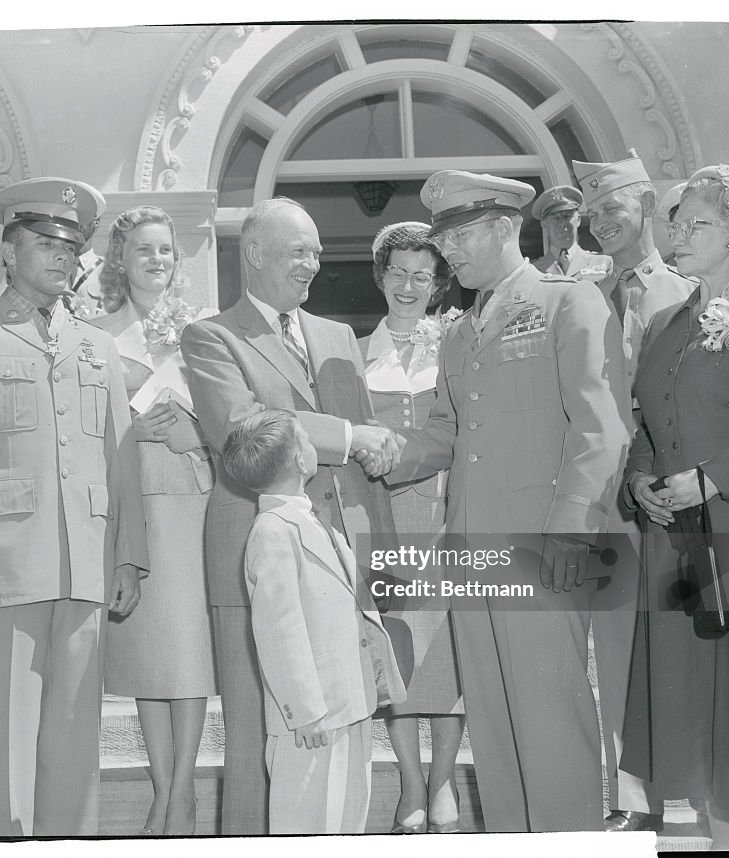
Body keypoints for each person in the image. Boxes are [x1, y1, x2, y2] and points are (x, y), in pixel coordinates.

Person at [385, 171, 631, 832]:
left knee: (550, 724)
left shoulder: (568, 302)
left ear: (503, 228)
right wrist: (376, 448)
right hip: (474, 553)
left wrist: (570, 533)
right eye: (444, 240)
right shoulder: (461, 332)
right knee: (493, 728)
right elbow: (445, 433)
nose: (450, 253)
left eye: (460, 236)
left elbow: (601, 428)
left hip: (543, 549)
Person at [0, 177, 149, 836]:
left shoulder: (99, 347)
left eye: (71, 248)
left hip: (87, 566)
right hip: (3, 569)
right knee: (9, 741)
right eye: (45, 244)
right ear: (8, 254)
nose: (61, 258)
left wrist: (131, 556)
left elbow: (119, 458)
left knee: (75, 747)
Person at [180, 197, 399, 835]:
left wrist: (379, 544)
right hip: (259, 547)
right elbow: (241, 428)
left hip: (339, 557)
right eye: (299, 251)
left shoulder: (337, 338)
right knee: (258, 736)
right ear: (253, 253)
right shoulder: (212, 336)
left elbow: (368, 446)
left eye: (317, 253)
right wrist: (350, 436)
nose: (313, 264)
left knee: (344, 722)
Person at [619, 164, 729, 851]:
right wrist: (640, 478)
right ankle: (701, 834)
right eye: (675, 221)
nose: (679, 233)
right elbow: (647, 421)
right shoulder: (670, 319)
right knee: (686, 701)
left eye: (696, 222)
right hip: (674, 541)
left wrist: (718, 476)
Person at [570, 153, 695, 833]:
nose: (599, 222)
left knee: (674, 643)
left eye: (612, 208)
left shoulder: (679, 293)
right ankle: (633, 798)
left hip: (665, 497)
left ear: (647, 206)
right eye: (591, 213)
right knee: (616, 649)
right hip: (602, 495)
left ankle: (682, 790)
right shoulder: (584, 295)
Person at [91, 206, 218, 836]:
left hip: (192, 495)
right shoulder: (96, 332)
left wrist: (197, 434)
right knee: (147, 646)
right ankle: (163, 789)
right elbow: (89, 426)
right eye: (143, 249)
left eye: (166, 249)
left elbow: (230, 419)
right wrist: (129, 429)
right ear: (121, 259)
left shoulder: (205, 330)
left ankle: (186, 789)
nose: (157, 260)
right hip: (133, 493)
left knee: (188, 644)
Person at [223, 408, 406, 834]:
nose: (313, 445)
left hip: (348, 702)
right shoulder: (272, 529)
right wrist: (303, 711)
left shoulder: (306, 517)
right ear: (302, 463)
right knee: (305, 823)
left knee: (346, 818)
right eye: (307, 438)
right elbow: (278, 630)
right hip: (311, 718)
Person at [356, 221, 465, 834]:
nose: (408, 285)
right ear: (380, 276)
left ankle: (444, 781)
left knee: (446, 659)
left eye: (422, 275)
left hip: (447, 517)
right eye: (397, 272)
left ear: (437, 281)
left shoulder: (455, 343)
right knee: (397, 655)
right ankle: (409, 783)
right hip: (383, 519)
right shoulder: (349, 349)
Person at [529, 184, 611, 282]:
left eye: (567, 216)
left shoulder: (604, 263)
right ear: (544, 224)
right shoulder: (532, 271)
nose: (562, 223)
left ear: (578, 220)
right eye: (556, 218)